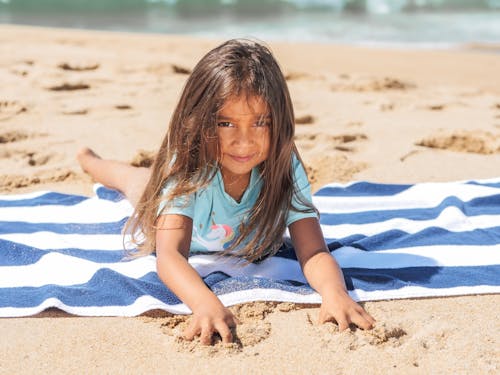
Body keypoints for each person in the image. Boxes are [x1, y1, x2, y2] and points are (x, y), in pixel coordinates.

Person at [78, 39, 375, 345]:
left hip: (235, 234)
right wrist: (204, 303)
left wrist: (334, 292)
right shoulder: (188, 168)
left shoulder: (284, 167)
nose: (243, 142)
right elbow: (169, 256)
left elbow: (313, 251)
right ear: (200, 120)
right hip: (180, 221)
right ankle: (90, 160)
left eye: (260, 122)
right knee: (135, 182)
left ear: (279, 121)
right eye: (226, 123)